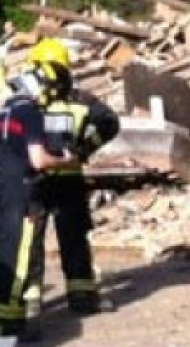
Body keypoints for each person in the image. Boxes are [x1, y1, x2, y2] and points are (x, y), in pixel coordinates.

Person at [0, 60, 79, 340]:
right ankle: (10, 326)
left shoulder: (5, 110)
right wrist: (66, 161)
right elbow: (38, 159)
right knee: (19, 255)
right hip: (22, 190)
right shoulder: (31, 112)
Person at [26, 38, 120, 315]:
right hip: (68, 177)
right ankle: (81, 298)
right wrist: (84, 147)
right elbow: (109, 122)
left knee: (33, 241)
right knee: (74, 239)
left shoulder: (30, 103)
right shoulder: (80, 101)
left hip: (38, 179)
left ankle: (32, 301)